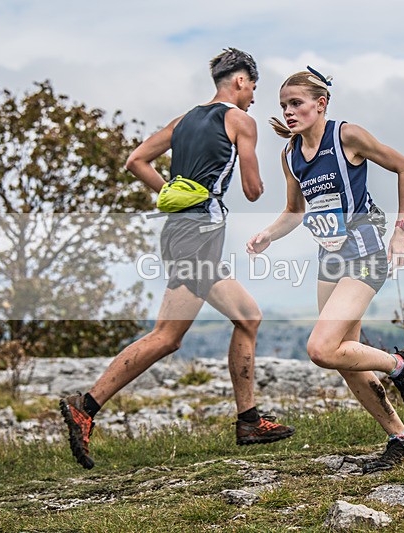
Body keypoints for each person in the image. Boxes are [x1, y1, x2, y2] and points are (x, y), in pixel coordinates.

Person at [60, 48, 294, 469]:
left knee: (248, 316)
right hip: (199, 235)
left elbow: (136, 160)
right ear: (240, 81)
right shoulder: (241, 121)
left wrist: (172, 192)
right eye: (254, 88)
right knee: (167, 336)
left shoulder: (182, 120)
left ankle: (249, 420)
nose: (254, 98)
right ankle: (85, 406)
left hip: (183, 231)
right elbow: (254, 189)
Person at [246, 67, 404, 473]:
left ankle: (401, 366)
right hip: (330, 261)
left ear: (320, 103)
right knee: (346, 359)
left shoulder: (347, 136)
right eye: (284, 106)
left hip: (365, 255)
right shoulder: (290, 154)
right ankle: (403, 440)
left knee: (321, 349)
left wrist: (402, 232)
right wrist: (268, 235)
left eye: (297, 103)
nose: (289, 112)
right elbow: (294, 212)